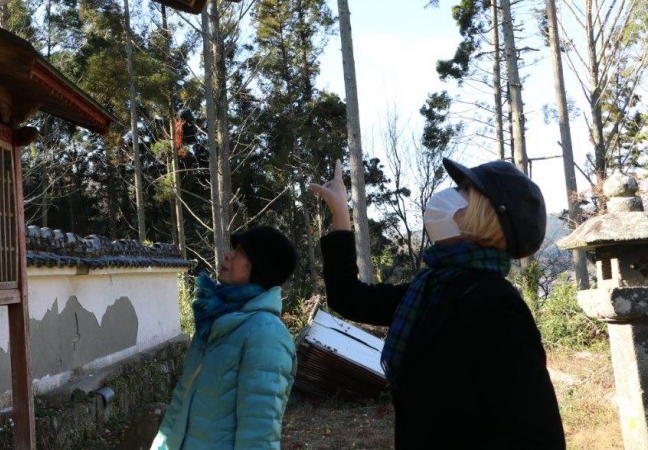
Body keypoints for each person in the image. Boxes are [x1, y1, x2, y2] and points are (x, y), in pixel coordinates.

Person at [310, 158, 566, 449]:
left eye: (466, 190)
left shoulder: (496, 304)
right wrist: (340, 212)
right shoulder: (431, 287)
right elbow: (350, 299)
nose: (451, 195)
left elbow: (536, 434)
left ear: (488, 215)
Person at [151, 225, 298, 450]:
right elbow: (180, 402)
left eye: (241, 252)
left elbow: (258, 435)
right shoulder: (214, 322)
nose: (228, 254)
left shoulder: (266, 334)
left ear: (261, 268)